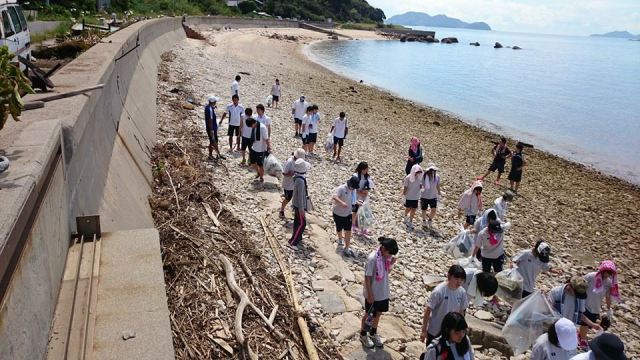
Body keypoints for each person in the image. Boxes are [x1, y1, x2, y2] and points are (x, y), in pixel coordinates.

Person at [361, 237, 399, 349]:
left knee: (378, 314)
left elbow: (386, 272)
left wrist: (391, 263)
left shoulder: (387, 257)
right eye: (389, 253)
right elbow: (367, 277)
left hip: (383, 292)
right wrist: (370, 294)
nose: (390, 255)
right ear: (383, 248)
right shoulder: (373, 258)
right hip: (373, 293)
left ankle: (373, 333)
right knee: (369, 315)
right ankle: (363, 334)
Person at [420, 265, 469, 345]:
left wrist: (461, 329)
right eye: (456, 279)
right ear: (449, 276)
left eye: (462, 280)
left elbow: (461, 311)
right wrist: (424, 330)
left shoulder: (462, 292)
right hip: (435, 330)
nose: (459, 282)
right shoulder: (439, 291)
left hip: (451, 332)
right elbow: (428, 310)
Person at [579, 260, 620, 348]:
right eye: (607, 272)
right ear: (602, 270)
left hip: (596, 306)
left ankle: (581, 334)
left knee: (590, 323)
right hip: (585, 303)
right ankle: (582, 339)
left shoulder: (608, 282)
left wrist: (609, 309)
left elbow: (608, 296)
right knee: (584, 323)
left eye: (610, 273)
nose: (608, 274)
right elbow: (581, 285)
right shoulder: (591, 276)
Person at [332, 176, 360, 257]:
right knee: (339, 228)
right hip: (338, 213)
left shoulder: (353, 190)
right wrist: (342, 203)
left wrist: (358, 203)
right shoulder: (342, 188)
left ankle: (347, 247)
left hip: (348, 214)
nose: (353, 189)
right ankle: (340, 239)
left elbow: (353, 201)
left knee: (348, 231)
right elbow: (334, 197)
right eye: (353, 187)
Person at [289, 158, 311, 248]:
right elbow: (300, 196)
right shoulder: (300, 181)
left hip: (296, 204)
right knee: (302, 223)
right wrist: (302, 209)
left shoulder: (297, 178)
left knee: (297, 222)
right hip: (299, 205)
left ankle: (297, 237)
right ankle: (293, 241)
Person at [280, 148, 306, 218]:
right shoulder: (289, 162)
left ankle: (294, 208)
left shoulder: (300, 162)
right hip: (289, 184)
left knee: (296, 197)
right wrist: (292, 174)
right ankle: (282, 209)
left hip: (296, 183)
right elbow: (284, 173)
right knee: (288, 198)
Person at [352, 162, 375, 236]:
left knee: (364, 212)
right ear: (361, 169)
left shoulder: (367, 177)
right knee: (355, 211)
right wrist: (359, 192)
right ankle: (353, 225)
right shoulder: (355, 176)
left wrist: (365, 192)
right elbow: (352, 188)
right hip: (356, 196)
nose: (367, 170)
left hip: (364, 197)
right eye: (366, 169)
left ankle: (363, 228)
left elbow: (369, 187)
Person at [247, 117, 271, 184]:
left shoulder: (262, 128)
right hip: (254, 147)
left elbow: (266, 139)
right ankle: (258, 172)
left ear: (253, 123)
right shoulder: (254, 127)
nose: (251, 128)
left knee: (260, 165)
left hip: (261, 149)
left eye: (251, 126)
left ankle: (261, 177)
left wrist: (269, 148)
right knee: (253, 163)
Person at [420, 163, 441, 229]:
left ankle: (430, 220)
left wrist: (439, 192)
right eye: (431, 170)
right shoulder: (424, 176)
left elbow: (437, 185)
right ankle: (423, 220)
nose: (432, 171)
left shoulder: (437, 176)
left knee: (434, 209)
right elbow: (420, 184)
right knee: (424, 209)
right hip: (424, 196)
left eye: (434, 170)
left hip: (433, 196)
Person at [403, 164, 423, 229]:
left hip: (415, 196)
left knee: (414, 209)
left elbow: (421, 186)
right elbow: (405, 187)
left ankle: (410, 221)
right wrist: (404, 195)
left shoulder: (419, 178)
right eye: (417, 172)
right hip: (409, 196)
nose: (417, 173)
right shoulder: (408, 177)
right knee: (408, 208)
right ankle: (405, 215)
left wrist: (421, 188)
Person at [204, 95, 223, 161]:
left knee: (213, 141)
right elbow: (210, 120)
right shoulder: (210, 110)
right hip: (211, 129)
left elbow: (207, 106)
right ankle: (217, 154)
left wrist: (213, 107)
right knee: (213, 142)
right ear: (213, 102)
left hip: (211, 128)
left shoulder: (207, 107)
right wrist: (211, 130)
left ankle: (214, 155)